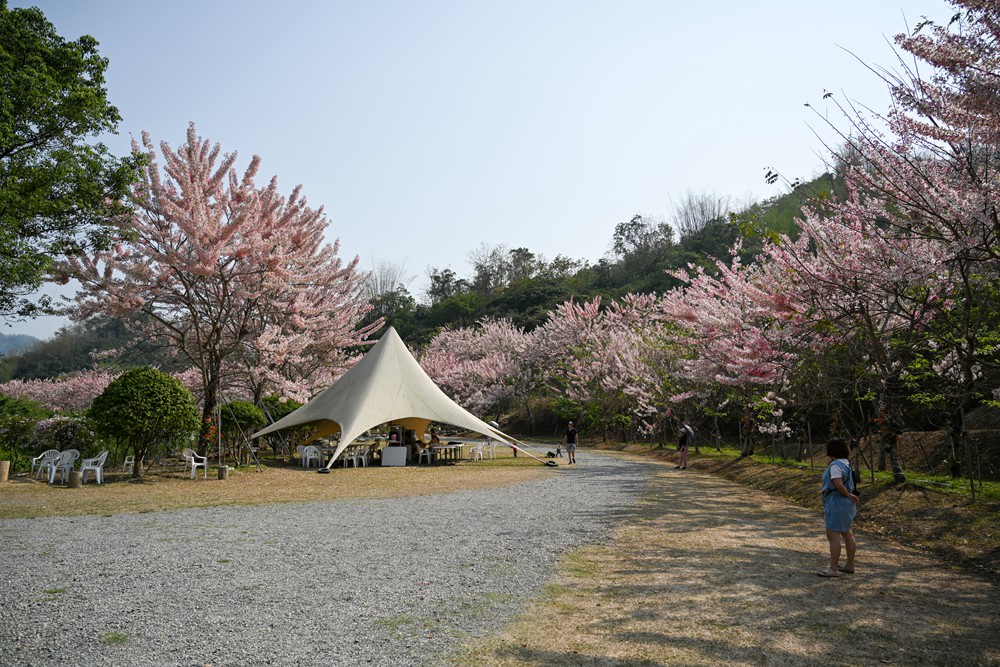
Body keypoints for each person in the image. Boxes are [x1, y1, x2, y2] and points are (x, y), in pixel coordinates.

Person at [818, 437, 859, 577]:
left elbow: (838, 483)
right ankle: (849, 565)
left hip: (837, 502)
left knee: (833, 535)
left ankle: (833, 569)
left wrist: (847, 494)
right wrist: (850, 496)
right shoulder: (847, 463)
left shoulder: (835, 465)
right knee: (847, 533)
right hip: (847, 504)